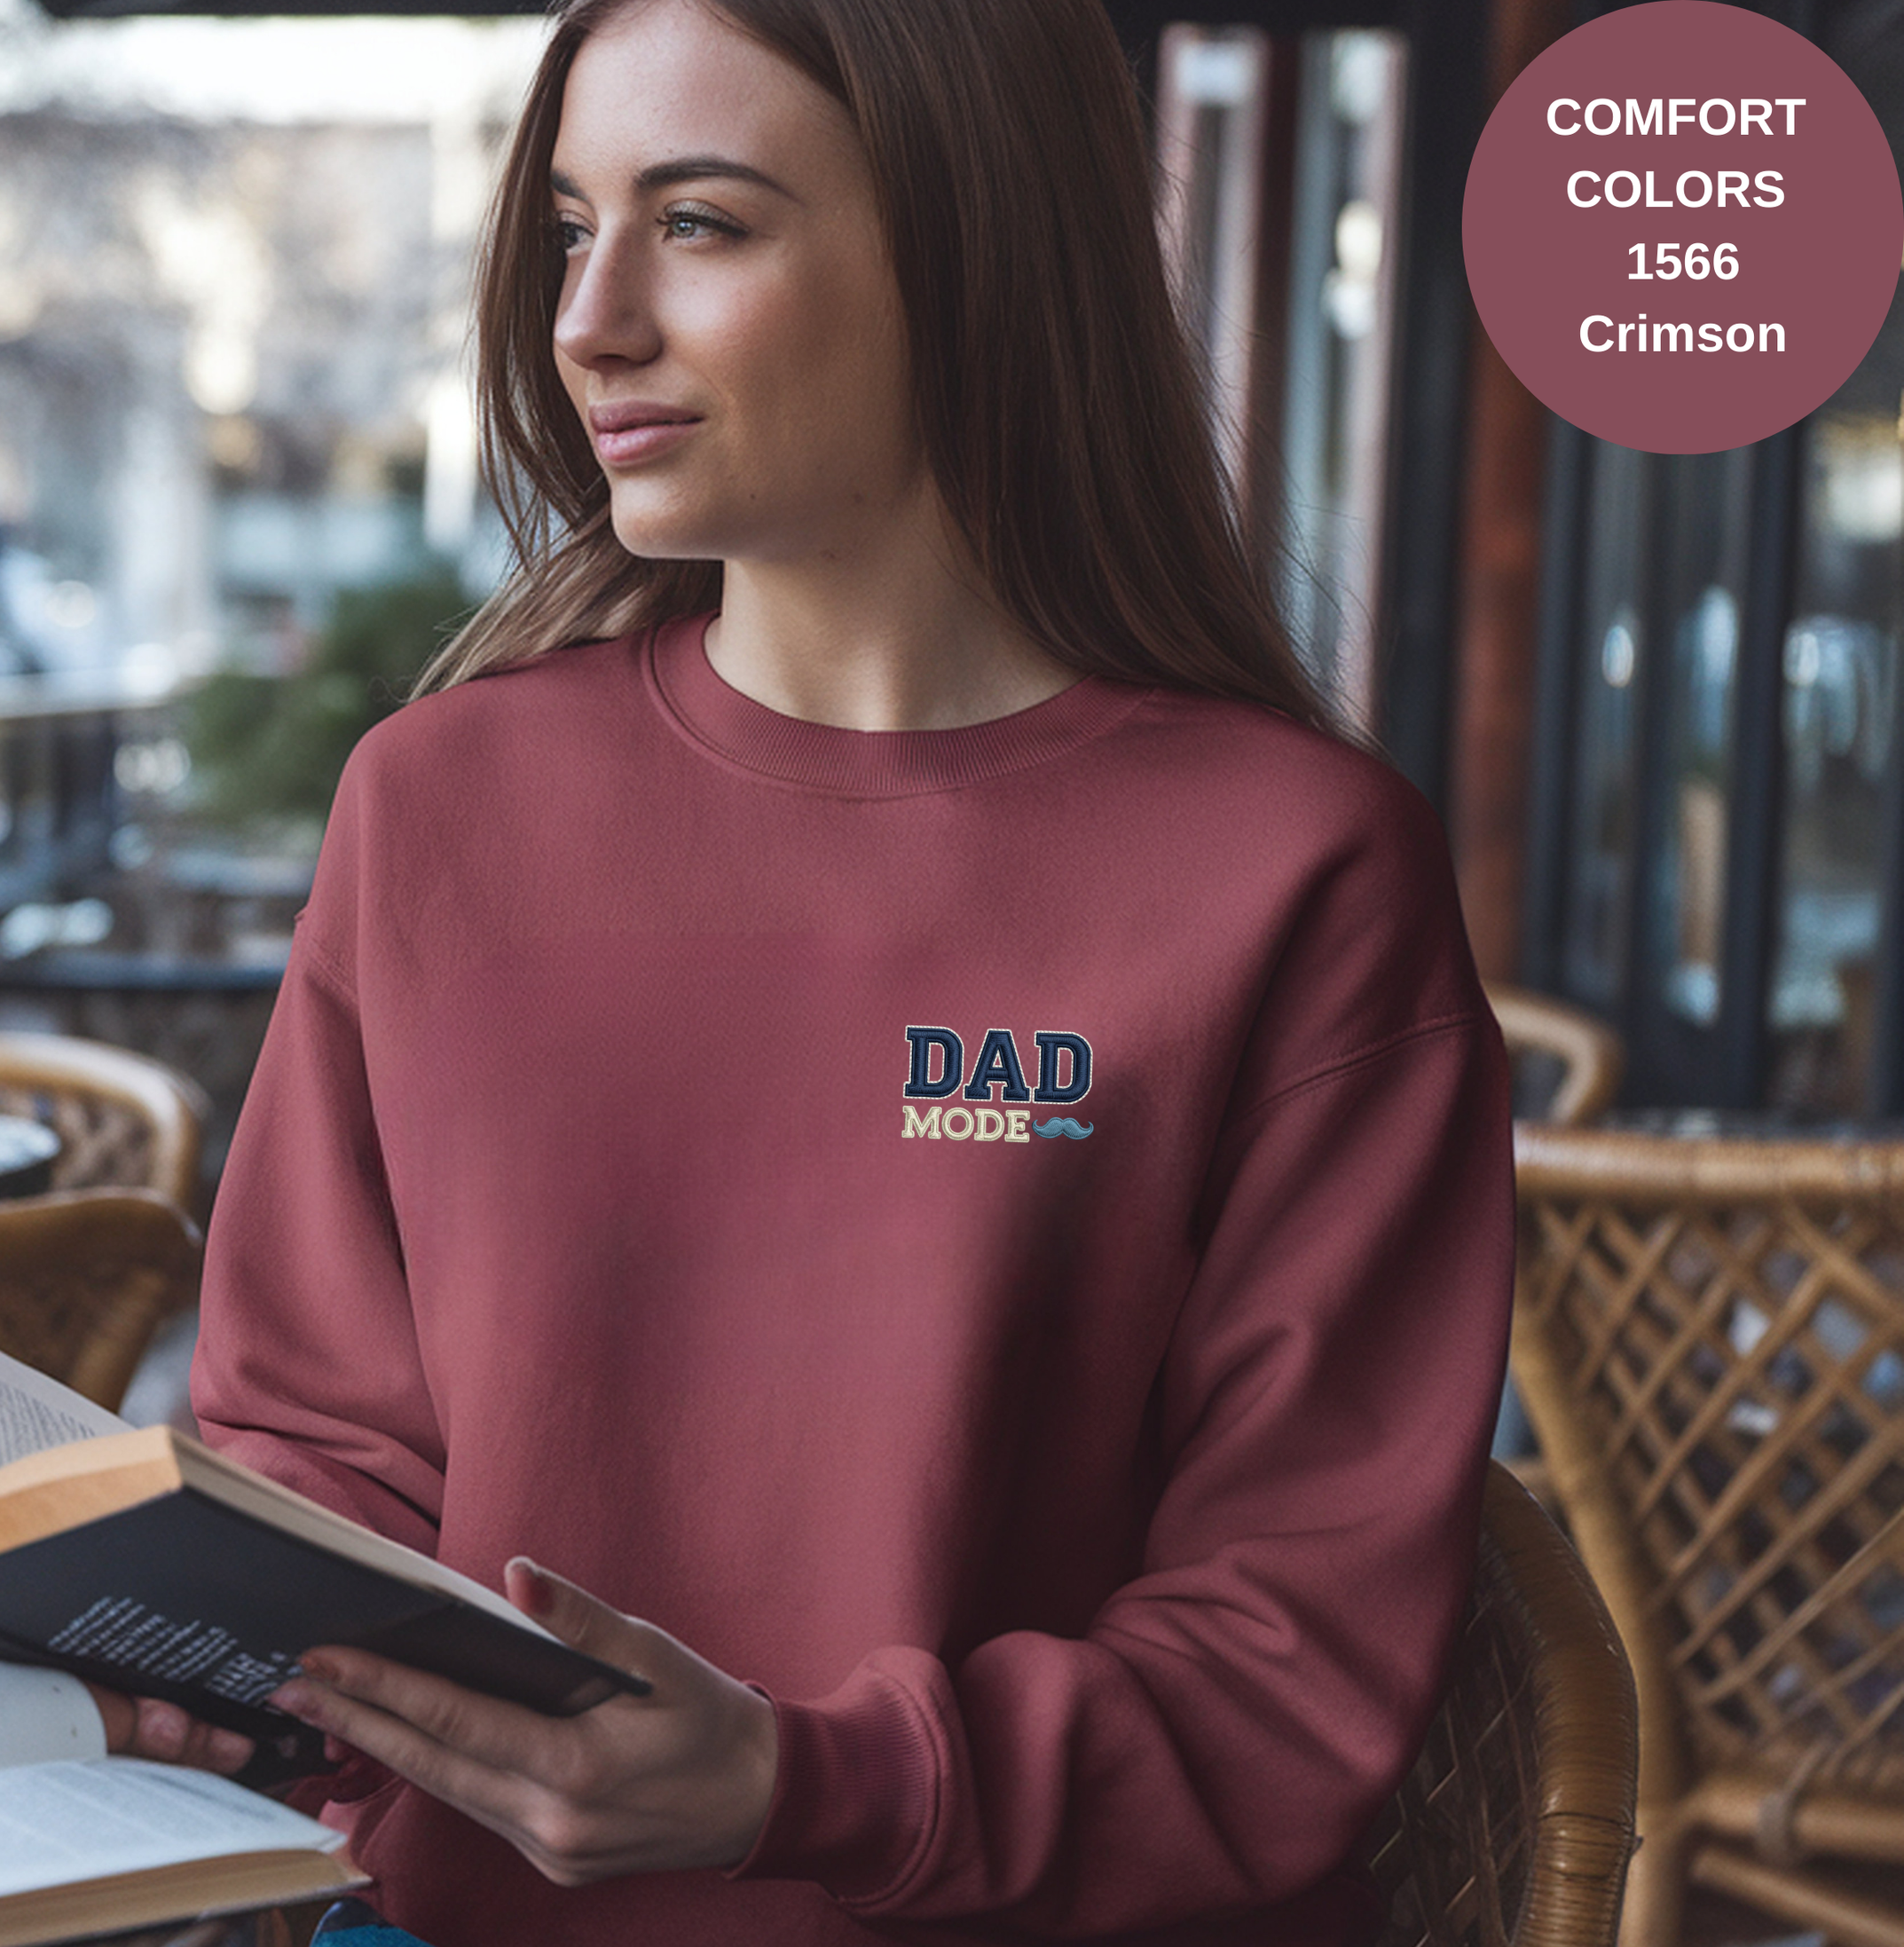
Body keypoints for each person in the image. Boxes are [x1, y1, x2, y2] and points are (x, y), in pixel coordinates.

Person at [114, 0, 1514, 1940]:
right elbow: (324, 1445)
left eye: (698, 222)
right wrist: (171, 1632)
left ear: (971, 251)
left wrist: (801, 1782)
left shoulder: (1295, 870)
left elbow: (1291, 1657)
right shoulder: (436, 803)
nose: (589, 321)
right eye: (566, 233)